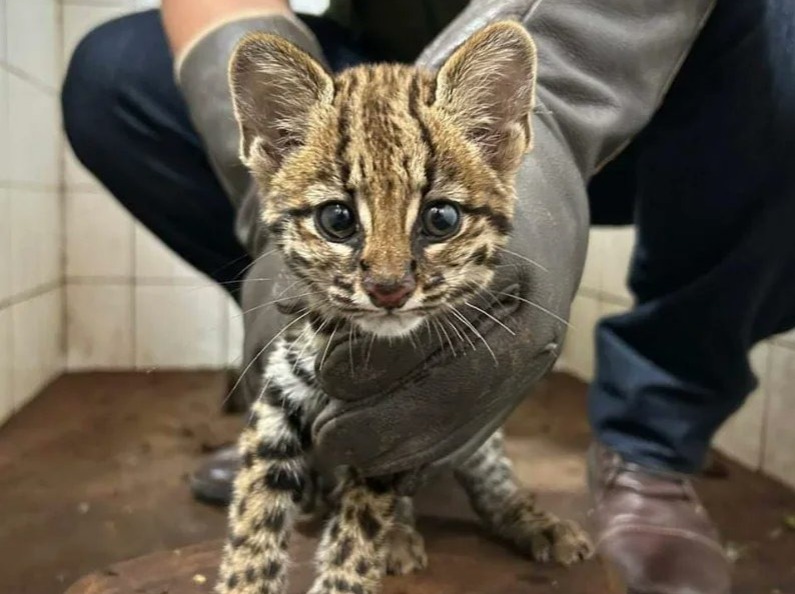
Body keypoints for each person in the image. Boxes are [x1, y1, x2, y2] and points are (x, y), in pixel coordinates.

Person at [61, 1, 795, 592]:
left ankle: (653, 435)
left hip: (624, 72)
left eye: (431, 228)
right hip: (371, 72)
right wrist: (279, 211)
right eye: (346, 226)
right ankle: (331, 393)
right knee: (110, 74)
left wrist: (550, 121)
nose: (389, 279)